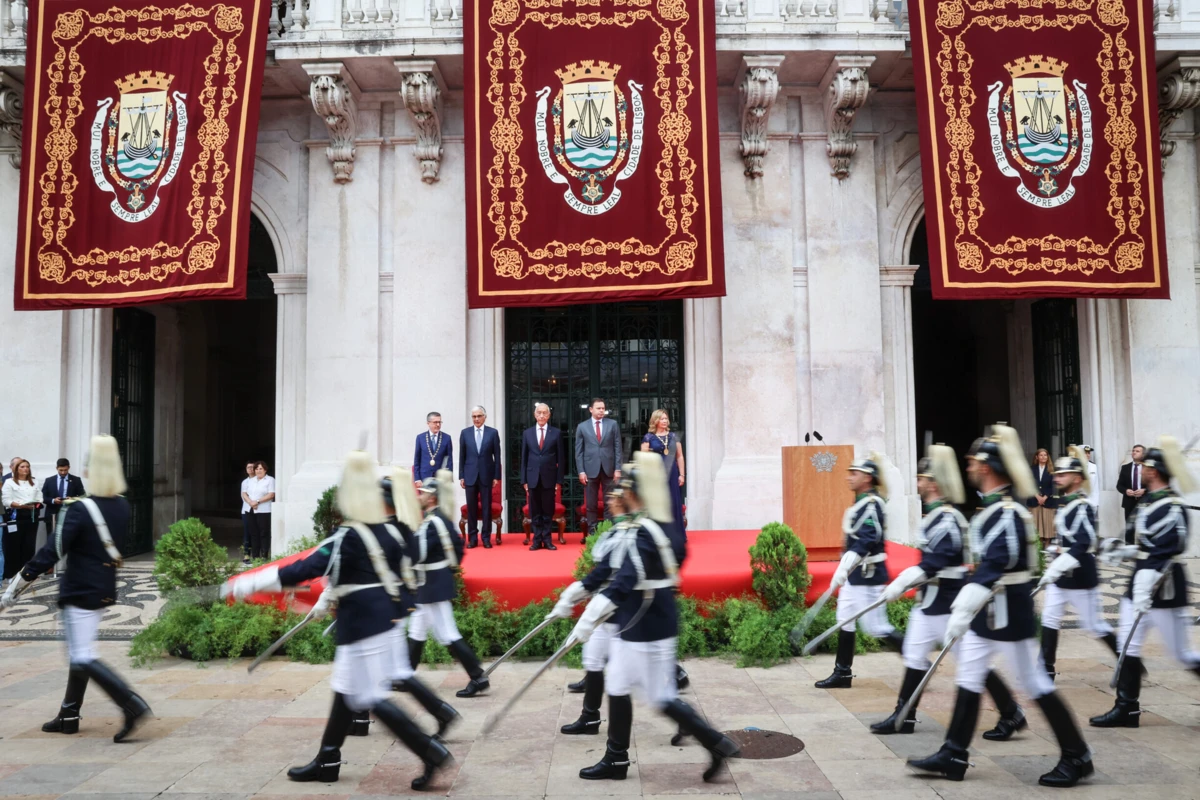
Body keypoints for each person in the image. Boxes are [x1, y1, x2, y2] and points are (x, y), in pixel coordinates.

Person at [225, 450, 452, 791]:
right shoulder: (389, 531)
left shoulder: (348, 535)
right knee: (346, 690)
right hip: (385, 620)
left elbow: (304, 568)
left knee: (369, 697)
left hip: (362, 624)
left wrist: (250, 582)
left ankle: (430, 751)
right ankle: (328, 759)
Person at [908, 425, 1094, 788]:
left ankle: (1077, 755)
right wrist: (969, 604)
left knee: (1033, 682)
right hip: (990, 612)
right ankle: (954, 753)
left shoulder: (1006, 512)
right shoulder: (992, 509)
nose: (968, 466)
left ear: (986, 466)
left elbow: (998, 561)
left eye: (972, 461)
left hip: (1009, 613)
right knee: (969, 676)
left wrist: (964, 604)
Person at [561, 452, 739, 783]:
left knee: (651, 694)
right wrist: (573, 595)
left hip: (645, 624)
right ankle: (623, 757)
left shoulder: (646, 531)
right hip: (644, 620)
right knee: (628, 686)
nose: (621, 494)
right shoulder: (650, 527)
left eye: (626, 489)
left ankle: (711, 743)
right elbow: (610, 569)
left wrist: (590, 616)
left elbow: (626, 579)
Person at [1, 435, 151, 742]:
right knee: (79, 653)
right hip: (103, 586)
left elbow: (52, 552)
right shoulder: (122, 506)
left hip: (79, 588)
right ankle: (69, 714)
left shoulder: (80, 508)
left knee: (82, 655)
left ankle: (131, 704)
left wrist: (15, 587)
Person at [1090, 436, 1200, 729]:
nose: (1145, 470)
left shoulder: (1173, 506)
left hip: (1164, 586)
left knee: (1180, 653)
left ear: (1156, 471)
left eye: (1149, 467)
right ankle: (1126, 709)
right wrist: (1121, 550)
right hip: (1138, 583)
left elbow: (1170, 547)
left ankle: (1126, 707)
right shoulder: (1148, 502)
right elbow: (1144, 545)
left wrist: (1146, 579)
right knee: (1128, 644)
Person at [380, 468, 461, 740]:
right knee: (397, 666)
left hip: (403, 597)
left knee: (376, 682)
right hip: (407, 595)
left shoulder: (406, 526)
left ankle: (433, 734)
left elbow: (412, 558)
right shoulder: (407, 525)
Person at [814, 452, 901, 689]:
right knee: (845, 618)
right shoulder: (862, 502)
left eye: (854, 473)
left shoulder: (872, 504)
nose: (849, 477)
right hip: (856, 574)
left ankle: (917, 663)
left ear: (867, 478)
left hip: (868, 575)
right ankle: (842, 673)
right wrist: (846, 565)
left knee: (876, 627)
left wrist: (848, 561)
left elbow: (869, 538)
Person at [1037, 446, 1117, 682]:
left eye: (1063, 475)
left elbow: (1084, 542)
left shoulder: (1083, 506)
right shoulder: (1065, 503)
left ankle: (1128, 661)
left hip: (1081, 577)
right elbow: (1067, 538)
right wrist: (1055, 550)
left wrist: (1060, 562)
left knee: (1094, 625)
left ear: (1077, 478)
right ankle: (1046, 670)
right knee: (1049, 619)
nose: (1057, 478)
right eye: (1057, 474)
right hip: (1062, 576)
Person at [408, 470, 490, 698]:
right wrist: (447, 569)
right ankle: (404, 675)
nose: (420, 496)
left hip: (433, 586)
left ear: (432, 497)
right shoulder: (440, 519)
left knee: (447, 633)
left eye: (423, 493)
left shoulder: (432, 523)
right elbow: (457, 547)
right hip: (433, 584)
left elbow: (419, 554)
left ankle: (477, 676)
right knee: (417, 627)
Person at [557, 488, 630, 735]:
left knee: (640, 679)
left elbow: (605, 573)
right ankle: (590, 718)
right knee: (593, 658)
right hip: (606, 605)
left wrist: (576, 594)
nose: (608, 500)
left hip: (622, 609)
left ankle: (686, 718)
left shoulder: (630, 532)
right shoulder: (618, 529)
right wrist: (574, 596)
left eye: (614, 497)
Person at [521, 403, 566, 551]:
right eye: (539, 413)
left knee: (547, 510)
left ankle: (547, 540)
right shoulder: (527, 433)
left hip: (549, 477)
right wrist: (524, 480)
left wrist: (559, 480)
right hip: (532, 477)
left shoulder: (556, 433)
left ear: (549, 415)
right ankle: (536, 540)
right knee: (535, 511)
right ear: (535, 415)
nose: (541, 415)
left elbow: (561, 458)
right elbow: (524, 458)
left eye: (544, 413)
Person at [575, 398, 622, 537]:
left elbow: (618, 448)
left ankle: (607, 532)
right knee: (591, 504)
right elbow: (579, 451)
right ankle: (592, 533)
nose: (601, 411)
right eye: (598, 408)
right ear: (591, 409)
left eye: (603, 408)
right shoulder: (582, 427)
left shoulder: (612, 424)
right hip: (590, 469)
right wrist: (581, 471)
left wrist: (618, 469)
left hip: (609, 469)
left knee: (609, 502)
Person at [459, 406, 501, 549]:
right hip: (470, 475)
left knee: (486, 508)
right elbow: (462, 456)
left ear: (485, 417)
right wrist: (461, 476)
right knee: (471, 508)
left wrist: (496, 476)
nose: (476, 419)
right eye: (474, 416)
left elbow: (497, 456)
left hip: (486, 475)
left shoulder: (493, 433)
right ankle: (472, 538)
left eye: (479, 416)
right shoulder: (465, 433)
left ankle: (486, 538)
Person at [640, 409, 685, 534]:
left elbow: (680, 456)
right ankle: (658, 534)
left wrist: (682, 474)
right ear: (655, 421)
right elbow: (643, 458)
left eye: (666, 418)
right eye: (662, 419)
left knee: (672, 501)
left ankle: (675, 534)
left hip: (672, 473)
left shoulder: (673, 436)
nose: (665, 421)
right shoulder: (648, 437)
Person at [2, 459, 42, 582]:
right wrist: (22, 505)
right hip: (16, 516)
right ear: (16, 469)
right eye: (22, 467)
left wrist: (35, 504)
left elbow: (40, 497)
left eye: (27, 466)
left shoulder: (34, 482)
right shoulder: (9, 482)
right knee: (14, 546)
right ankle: (12, 574)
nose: (26, 469)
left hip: (32, 515)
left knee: (29, 546)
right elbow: (6, 501)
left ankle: (28, 573)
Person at [1116, 444, 1147, 540]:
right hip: (1129, 502)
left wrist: (1144, 490)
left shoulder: (1148, 467)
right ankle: (1129, 548)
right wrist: (1126, 491)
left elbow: (1153, 485)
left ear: (1143, 454)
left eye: (1137, 451)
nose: (1134, 452)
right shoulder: (1125, 468)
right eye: (1133, 450)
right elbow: (1119, 486)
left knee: (1144, 528)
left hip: (1144, 502)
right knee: (1130, 529)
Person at [245, 462, 276, 560]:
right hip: (250, 509)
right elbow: (244, 493)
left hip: (264, 510)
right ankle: (255, 556)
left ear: (265, 470)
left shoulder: (270, 480)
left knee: (264, 533)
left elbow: (271, 494)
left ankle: (264, 555)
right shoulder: (251, 481)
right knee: (254, 533)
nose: (258, 470)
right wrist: (250, 502)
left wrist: (257, 501)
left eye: (260, 469)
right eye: (257, 469)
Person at [414, 411, 453, 483]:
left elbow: (449, 460)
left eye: (439, 422)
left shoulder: (447, 438)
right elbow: (417, 459)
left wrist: (449, 478)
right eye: (435, 422)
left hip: (441, 479)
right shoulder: (420, 438)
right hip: (424, 477)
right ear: (428, 423)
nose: (438, 425)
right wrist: (417, 479)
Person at [1029, 448, 1056, 547]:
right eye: (1041, 455)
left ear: (1048, 457)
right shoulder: (1032, 469)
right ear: (1037, 457)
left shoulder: (1052, 470)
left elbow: (1054, 486)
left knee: (1047, 526)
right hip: (1034, 501)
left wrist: (1045, 497)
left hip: (1047, 502)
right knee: (1036, 526)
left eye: (1045, 455)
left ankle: (1047, 546)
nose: (1043, 457)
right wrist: (1037, 496)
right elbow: (1029, 484)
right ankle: (1039, 548)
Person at [238, 461, 256, 563]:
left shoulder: (259, 480)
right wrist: (251, 502)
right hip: (246, 510)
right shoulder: (244, 482)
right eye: (248, 467)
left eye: (252, 467)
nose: (250, 469)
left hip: (258, 509)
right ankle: (246, 555)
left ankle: (257, 555)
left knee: (257, 533)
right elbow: (243, 495)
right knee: (247, 533)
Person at [1081, 445, 1100, 511]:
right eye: (1085, 453)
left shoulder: (1093, 466)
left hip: (1092, 501)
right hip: (1080, 501)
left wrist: (1096, 502)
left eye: (1088, 453)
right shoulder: (1077, 466)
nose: (1087, 455)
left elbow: (1096, 485)